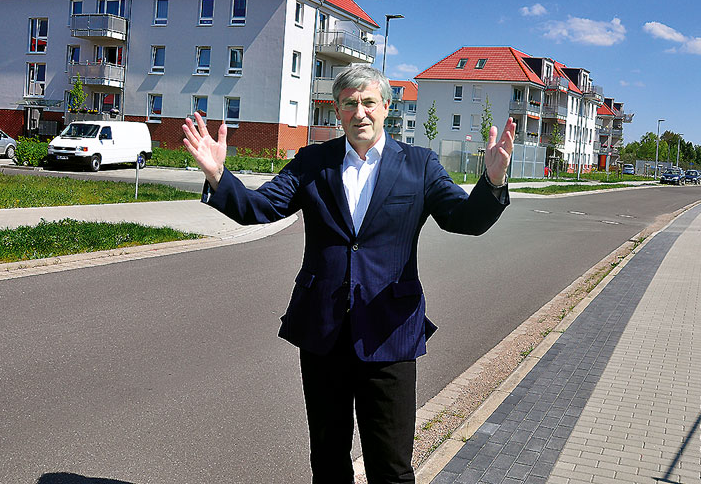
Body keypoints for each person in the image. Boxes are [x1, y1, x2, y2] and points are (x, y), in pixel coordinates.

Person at [182, 65, 515, 484]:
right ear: (337, 110)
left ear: (386, 108)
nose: (361, 112)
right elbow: (260, 208)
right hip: (323, 332)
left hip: (389, 332)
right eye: (350, 103)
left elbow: (465, 219)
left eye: (369, 102)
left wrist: (493, 180)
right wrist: (217, 175)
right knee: (327, 457)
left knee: (391, 466)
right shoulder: (312, 161)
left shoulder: (419, 165)